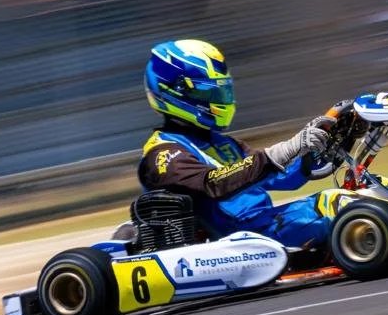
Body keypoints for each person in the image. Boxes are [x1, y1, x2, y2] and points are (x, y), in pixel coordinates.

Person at [137, 38, 340, 251]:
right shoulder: (163, 153)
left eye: (221, 91)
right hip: (234, 241)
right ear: (174, 91)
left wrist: (323, 150)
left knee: (352, 195)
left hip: (268, 225)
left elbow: (278, 177)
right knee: (337, 206)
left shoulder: (221, 143)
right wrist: (284, 150)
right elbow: (214, 184)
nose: (218, 99)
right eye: (209, 92)